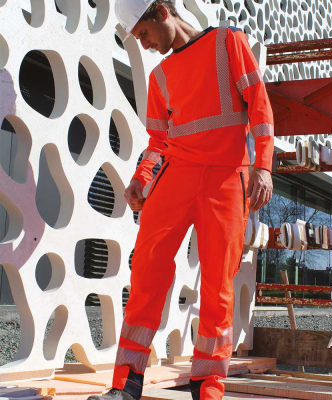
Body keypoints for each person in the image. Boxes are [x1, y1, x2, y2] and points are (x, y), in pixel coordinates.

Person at [89, 0, 274, 398]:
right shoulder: (160, 77)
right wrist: (141, 177)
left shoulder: (228, 42)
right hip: (177, 177)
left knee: (218, 287)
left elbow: (259, 104)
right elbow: (158, 141)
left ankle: (208, 386)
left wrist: (264, 166)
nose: (145, 44)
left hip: (227, 179)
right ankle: (125, 384)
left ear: (160, 12)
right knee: (146, 273)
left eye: (144, 33)